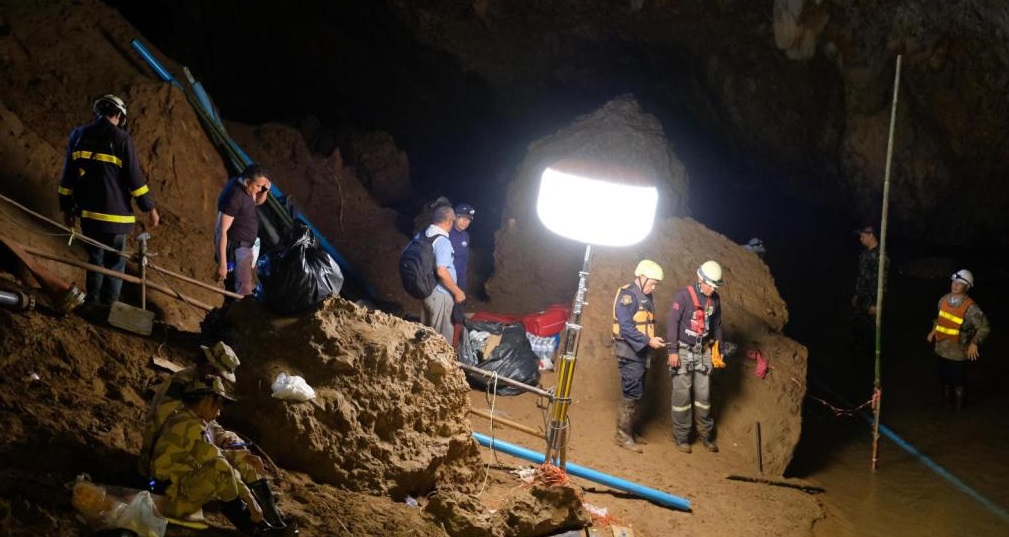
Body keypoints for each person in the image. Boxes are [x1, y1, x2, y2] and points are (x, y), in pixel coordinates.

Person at [150, 375, 289, 534]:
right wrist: (250, 500)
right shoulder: (186, 425)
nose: (219, 413)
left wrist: (242, 456)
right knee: (221, 472)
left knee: (239, 465)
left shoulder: (191, 418)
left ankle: (272, 521)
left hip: (182, 483)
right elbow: (219, 461)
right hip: (169, 498)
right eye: (219, 405)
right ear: (208, 401)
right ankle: (257, 529)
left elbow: (213, 451)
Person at [58, 94, 160, 306]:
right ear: (119, 116)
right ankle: (109, 306)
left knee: (95, 258)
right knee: (115, 262)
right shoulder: (121, 139)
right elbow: (135, 179)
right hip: (117, 217)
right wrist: (149, 208)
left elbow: (68, 176)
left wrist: (66, 208)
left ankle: (92, 302)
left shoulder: (78, 136)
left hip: (89, 215)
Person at [139, 341, 242, 479]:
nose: (220, 379)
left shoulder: (206, 384)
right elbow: (161, 421)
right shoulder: (182, 383)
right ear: (208, 366)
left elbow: (208, 420)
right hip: (165, 451)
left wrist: (223, 438)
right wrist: (150, 459)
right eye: (217, 373)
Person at [666, 260, 726, 453]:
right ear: (700, 278)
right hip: (683, 348)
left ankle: (706, 435)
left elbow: (716, 325)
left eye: (715, 286)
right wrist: (672, 351)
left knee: (703, 395)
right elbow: (672, 323)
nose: (711, 289)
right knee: (682, 395)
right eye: (709, 284)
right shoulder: (683, 296)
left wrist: (719, 349)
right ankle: (682, 436)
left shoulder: (715, 300)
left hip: (703, 351)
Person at [611, 260, 666, 452]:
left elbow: (644, 323)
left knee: (637, 391)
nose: (654, 287)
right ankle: (622, 435)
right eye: (652, 283)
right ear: (641, 277)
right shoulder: (628, 296)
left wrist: (651, 340)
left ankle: (630, 432)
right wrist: (648, 341)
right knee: (631, 392)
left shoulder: (645, 295)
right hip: (629, 352)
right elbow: (625, 328)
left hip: (641, 352)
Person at [926, 269, 990, 411]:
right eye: (954, 281)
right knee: (943, 379)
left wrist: (974, 342)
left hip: (958, 350)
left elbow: (984, 327)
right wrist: (933, 330)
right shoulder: (943, 300)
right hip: (942, 347)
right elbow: (940, 319)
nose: (955, 285)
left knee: (958, 381)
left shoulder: (970, 307)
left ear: (966, 287)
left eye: (959, 283)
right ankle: (944, 406)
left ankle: (959, 411)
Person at [215, 164, 272, 297]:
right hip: (236, 250)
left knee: (238, 291)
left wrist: (264, 191)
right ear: (247, 182)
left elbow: (257, 201)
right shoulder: (235, 196)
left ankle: (228, 313)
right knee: (242, 293)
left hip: (244, 250)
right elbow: (221, 231)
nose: (259, 190)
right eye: (258, 186)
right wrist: (222, 264)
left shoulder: (247, 190)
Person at [422, 205, 465, 342]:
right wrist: (457, 292)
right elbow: (441, 270)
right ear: (449, 221)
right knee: (441, 339)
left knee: (426, 333)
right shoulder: (442, 241)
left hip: (427, 291)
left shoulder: (426, 234)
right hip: (440, 295)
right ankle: (439, 362)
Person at [851, 225, 883, 355]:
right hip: (862, 298)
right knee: (858, 326)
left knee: (870, 330)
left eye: (863, 236)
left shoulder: (880, 256)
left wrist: (876, 304)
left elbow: (881, 282)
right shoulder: (865, 254)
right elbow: (862, 277)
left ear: (871, 235)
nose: (860, 238)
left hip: (871, 300)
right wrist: (857, 295)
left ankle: (869, 355)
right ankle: (858, 350)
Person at [449, 203, 475, 291]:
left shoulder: (466, 236)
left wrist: (462, 283)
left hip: (460, 275)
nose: (465, 222)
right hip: (445, 277)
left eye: (468, 219)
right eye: (462, 218)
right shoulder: (445, 233)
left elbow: (465, 259)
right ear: (455, 217)